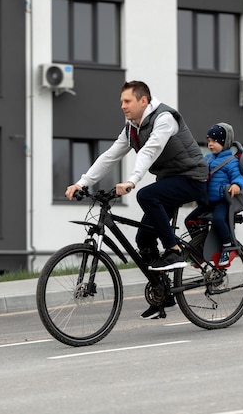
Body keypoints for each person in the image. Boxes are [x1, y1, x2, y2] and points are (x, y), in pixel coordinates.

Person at [65, 80, 208, 319]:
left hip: (192, 178)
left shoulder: (165, 119)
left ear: (143, 101)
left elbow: (150, 151)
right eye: (121, 101)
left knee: (145, 194)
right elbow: (111, 156)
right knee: (144, 238)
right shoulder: (131, 127)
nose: (122, 106)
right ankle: (164, 293)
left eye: (127, 101)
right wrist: (82, 183)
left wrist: (132, 181)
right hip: (168, 181)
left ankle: (173, 250)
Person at [189, 122, 243, 266]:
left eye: (214, 141)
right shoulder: (207, 158)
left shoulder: (231, 161)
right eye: (208, 141)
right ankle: (200, 248)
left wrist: (236, 185)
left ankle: (227, 246)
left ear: (224, 142)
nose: (210, 144)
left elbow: (239, 177)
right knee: (190, 220)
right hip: (207, 201)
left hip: (222, 201)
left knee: (219, 219)